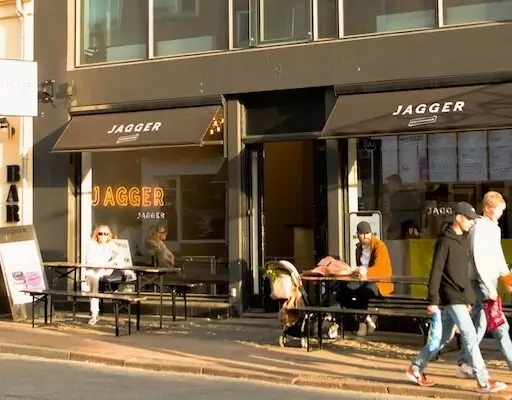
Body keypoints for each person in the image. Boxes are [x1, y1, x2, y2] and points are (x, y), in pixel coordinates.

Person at [405, 202, 507, 393]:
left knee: (443, 337)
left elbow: (461, 273)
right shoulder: (445, 241)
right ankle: (483, 381)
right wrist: (432, 301)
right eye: (469, 219)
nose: (471, 223)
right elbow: (436, 271)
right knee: (470, 335)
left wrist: (468, 299)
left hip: (460, 297)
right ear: (458, 218)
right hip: (450, 297)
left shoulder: (464, 240)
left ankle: (416, 368)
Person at [456, 191, 512, 378]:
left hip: (487, 280)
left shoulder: (494, 228)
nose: (502, 213)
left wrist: (506, 277)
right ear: (488, 208)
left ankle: (464, 362)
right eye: (499, 209)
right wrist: (489, 287)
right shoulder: (479, 227)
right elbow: (477, 257)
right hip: (483, 280)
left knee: (480, 324)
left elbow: (497, 255)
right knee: (499, 323)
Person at [336, 221, 394, 337]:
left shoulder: (379, 246)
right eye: (362, 234)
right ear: (358, 235)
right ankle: (366, 317)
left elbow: (382, 268)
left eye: (367, 233)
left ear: (371, 233)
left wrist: (366, 271)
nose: (365, 236)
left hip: (379, 281)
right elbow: (360, 266)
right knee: (342, 293)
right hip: (362, 280)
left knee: (364, 292)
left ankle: (362, 323)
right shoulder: (358, 248)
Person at [84, 224, 135, 325]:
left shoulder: (111, 245)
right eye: (101, 233)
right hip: (93, 273)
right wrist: (107, 263)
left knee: (119, 264)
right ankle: (94, 314)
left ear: (109, 235)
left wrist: (115, 262)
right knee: (94, 283)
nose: (103, 236)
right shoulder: (91, 245)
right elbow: (90, 261)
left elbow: (121, 257)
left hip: (107, 273)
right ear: (96, 234)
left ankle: (128, 278)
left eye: (106, 234)